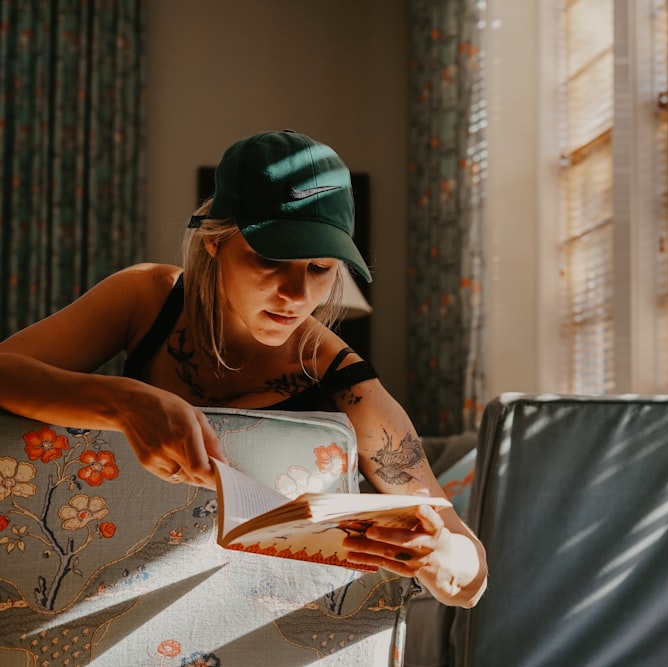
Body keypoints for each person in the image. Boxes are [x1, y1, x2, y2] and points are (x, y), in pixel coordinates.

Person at [0, 129, 487, 608]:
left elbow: (471, 578)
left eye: (320, 268)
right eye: (272, 259)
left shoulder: (348, 384)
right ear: (214, 242)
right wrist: (125, 404)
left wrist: (438, 555)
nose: (297, 296)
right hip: (102, 595)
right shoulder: (145, 299)